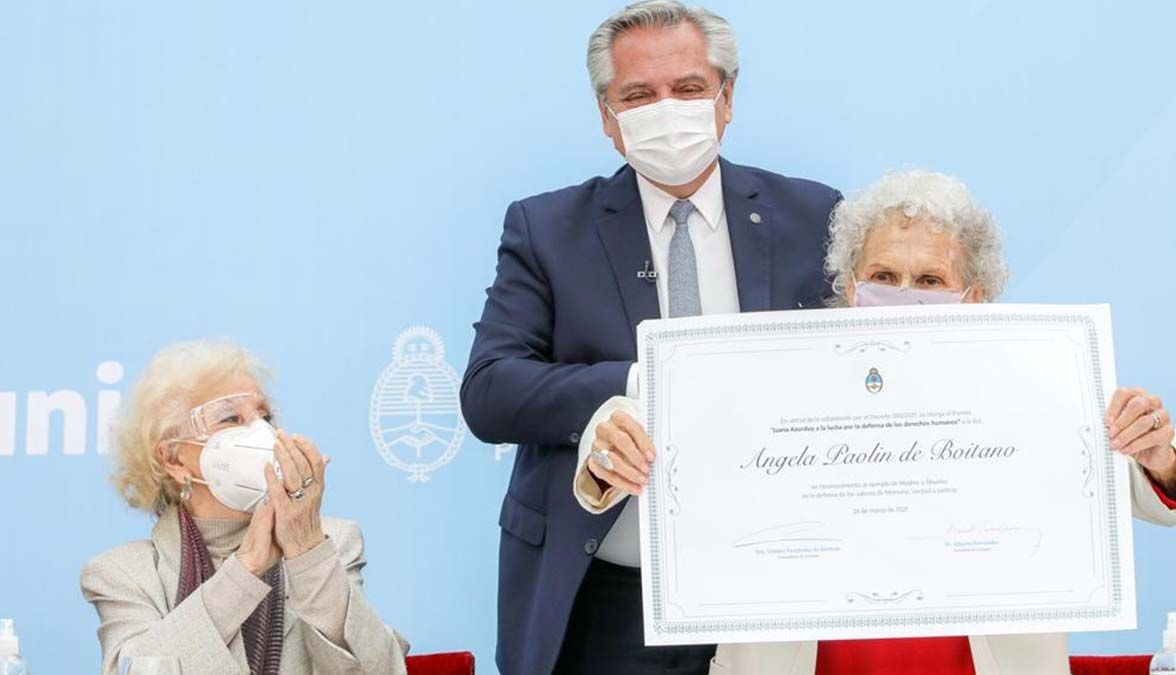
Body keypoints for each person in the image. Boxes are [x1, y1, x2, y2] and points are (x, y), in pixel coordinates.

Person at [459, 1, 841, 673]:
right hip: (608, 596)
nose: (667, 110)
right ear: (608, 117)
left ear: (727, 98)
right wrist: (641, 383)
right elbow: (490, 390)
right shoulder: (548, 229)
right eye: (639, 96)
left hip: (776, 585)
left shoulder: (813, 216)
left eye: (689, 88)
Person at [705, 170, 1176, 675]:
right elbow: (692, 455)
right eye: (883, 277)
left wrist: (1156, 454)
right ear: (851, 286)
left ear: (974, 296)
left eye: (930, 281)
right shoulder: (777, 384)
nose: (903, 294)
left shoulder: (1033, 388)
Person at [80, 340, 408, 674]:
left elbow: (382, 670)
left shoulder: (331, 543)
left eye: (266, 416)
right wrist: (244, 571)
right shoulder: (124, 573)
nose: (261, 431)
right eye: (231, 418)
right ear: (173, 459)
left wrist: (308, 551)